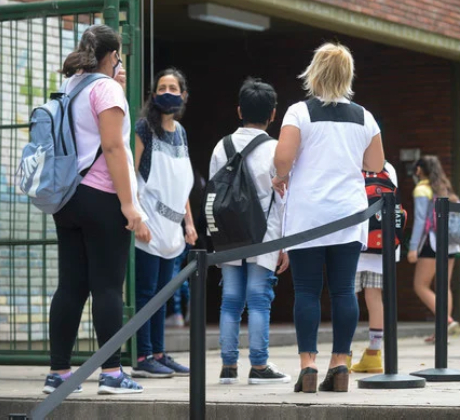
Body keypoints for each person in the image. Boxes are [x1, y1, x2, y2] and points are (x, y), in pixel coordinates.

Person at [273, 43, 385, 393]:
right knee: (343, 291)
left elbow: (282, 159)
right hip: (349, 216)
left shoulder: (298, 113)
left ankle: (308, 364)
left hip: (308, 215)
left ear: (314, 73)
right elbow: (376, 165)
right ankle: (340, 362)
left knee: (307, 291)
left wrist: (281, 176)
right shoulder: (364, 116)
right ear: (347, 76)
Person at [44, 24, 145, 394]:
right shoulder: (107, 89)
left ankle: (58, 372)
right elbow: (114, 148)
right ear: (112, 54)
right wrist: (129, 204)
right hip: (101, 196)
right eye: (118, 54)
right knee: (107, 287)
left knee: (71, 285)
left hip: (67, 197)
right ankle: (113, 373)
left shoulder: (71, 86)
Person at [211, 78, 291, 385]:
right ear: (273, 114)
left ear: (239, 110)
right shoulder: (275, 149)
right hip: (265, 235)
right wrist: (284, 243)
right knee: (258, 299)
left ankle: (228, 367)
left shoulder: (222, 146)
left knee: (231, 299)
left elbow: (215, 194)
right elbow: (283, 198)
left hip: (229, 234)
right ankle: (259, 366)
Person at [130, 68, 195, 378]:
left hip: (172, 228)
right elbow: (130, 174)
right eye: (162, 86)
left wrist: (190, 223)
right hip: (148, 223)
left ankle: (159, 352)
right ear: (153, 95)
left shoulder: (180, 132)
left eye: (173, 86)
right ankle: (143, 356)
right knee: (146, 293)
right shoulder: (144, 129)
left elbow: (181, 182)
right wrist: (137, 218)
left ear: (182, 95)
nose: (167, 91)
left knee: (164, 293)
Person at [351, 161, 400, 374]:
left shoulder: (350, 161)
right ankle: (374, 353)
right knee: (375, 298)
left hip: (353, 239)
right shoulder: (388, 168)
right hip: (380, 243)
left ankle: (342, 354)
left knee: (346, 295)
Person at [407, 155, 460, 343]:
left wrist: (413, 247)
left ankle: (446, 320)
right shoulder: (444, 188)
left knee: (420, 285)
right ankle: (441, 332)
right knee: (444, 286)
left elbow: (420, 220)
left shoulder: (422, 189)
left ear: (420, 170)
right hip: (451, 243)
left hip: (433, 243)